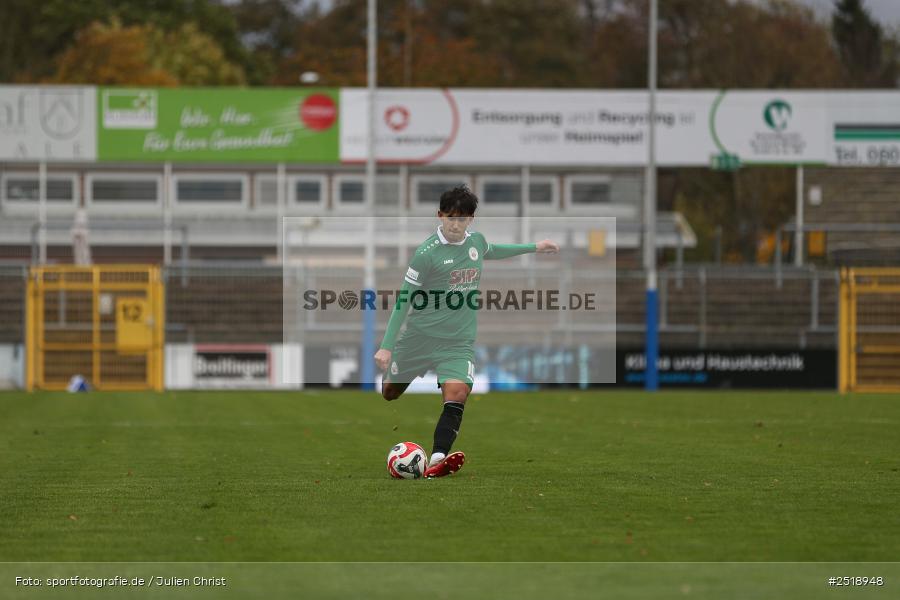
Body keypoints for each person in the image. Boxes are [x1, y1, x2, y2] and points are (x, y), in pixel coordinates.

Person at [374, 185, 559, 478]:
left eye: (462, 219)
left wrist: (534, 247)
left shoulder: (477, 242)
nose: (456, 224)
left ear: (471, 220)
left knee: (458, 392)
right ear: (440, 215)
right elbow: (404, 299)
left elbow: (493, 250)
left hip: (457, 342)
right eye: (450, 217)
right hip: (419, 339)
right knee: (389, 393)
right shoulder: (425, 254)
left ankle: (436, 459)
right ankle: (398, 379)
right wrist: (386, 346)